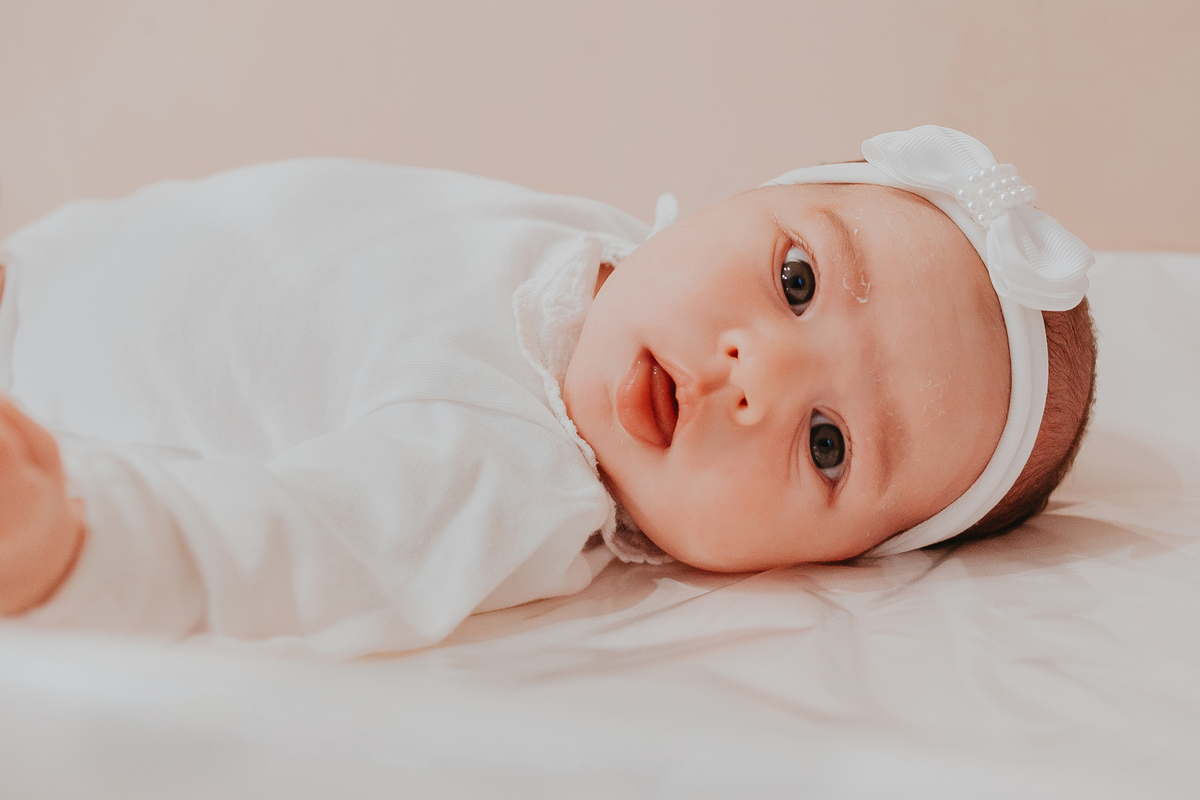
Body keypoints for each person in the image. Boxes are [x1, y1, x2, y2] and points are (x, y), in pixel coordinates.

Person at [0, 126, 1096, 656]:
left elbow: (295, 549)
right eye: (797, 280)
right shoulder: (605, 257)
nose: (754, 373)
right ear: (739, 199)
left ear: (823, 561)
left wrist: (69, 539)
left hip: (34, 395)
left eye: (828, 445)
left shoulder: (506, 473)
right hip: (44, 261)